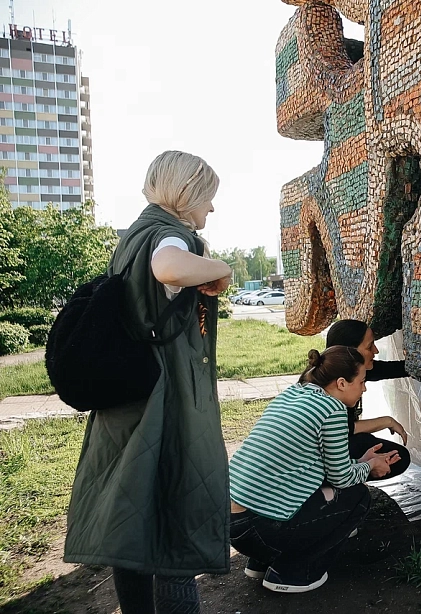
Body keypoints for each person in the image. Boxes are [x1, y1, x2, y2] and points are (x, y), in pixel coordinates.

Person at [63, 151, 233, 613]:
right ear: (188, 195)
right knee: (172, 520)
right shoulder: (168, 234)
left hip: (127, 398)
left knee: (132, 520)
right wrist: (221, 268)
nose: (211, 210)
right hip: (163, 399)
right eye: (209, 198)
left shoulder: (134, 234)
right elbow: (170, 268)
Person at [229, 346, 401, 593]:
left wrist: (362, 461)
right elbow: (341, 478)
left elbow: (317, 466)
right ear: (342, 383)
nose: (364, 388)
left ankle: (261, 562)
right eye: (362, 382)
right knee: (357, 498)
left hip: (232, 523)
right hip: (259, 529)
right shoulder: (332, 409)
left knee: (316, 489)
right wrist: (371, 466)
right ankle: (293, 573)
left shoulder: (295, 393)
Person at [325, 319, 411, 479]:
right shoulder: (327, 390)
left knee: (389, 453)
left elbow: (397, 369)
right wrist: (387, 421)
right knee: (390, 456)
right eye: (370, 346)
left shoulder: (351, 368)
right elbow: (342, 429)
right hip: (316, 454)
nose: (376, 351)